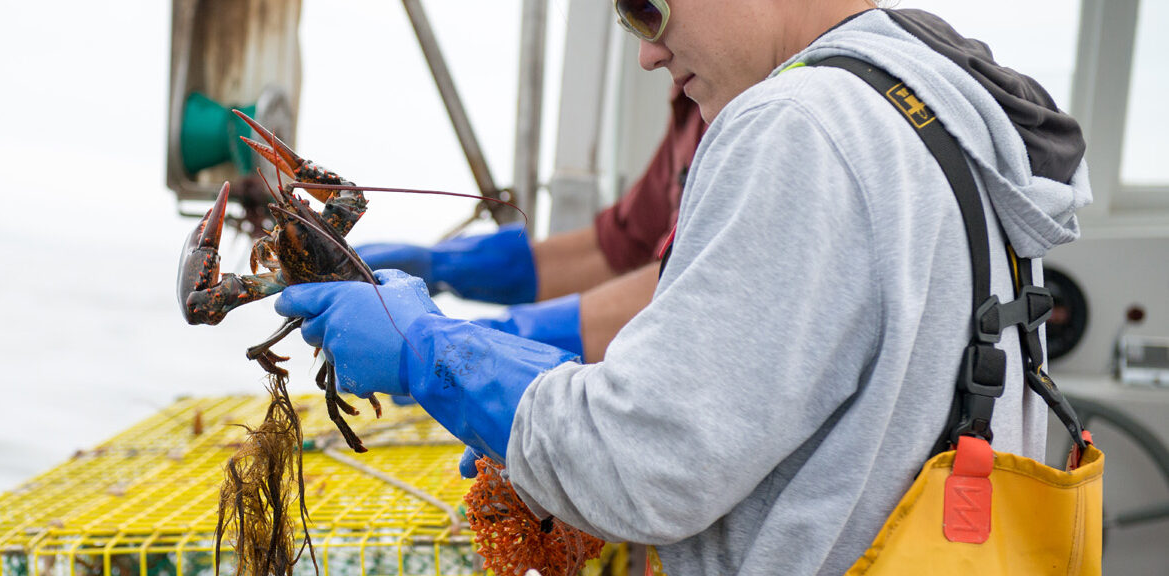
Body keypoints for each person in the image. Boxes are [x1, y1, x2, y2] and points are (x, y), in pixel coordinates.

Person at [273, 1, 1090, 574]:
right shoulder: (930, 116)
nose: (646, 51)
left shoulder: (799, 126)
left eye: (647, 6)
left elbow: (642, 463)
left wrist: (433, 352)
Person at [356, 90, 705, 363]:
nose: (647, 56)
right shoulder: (694, 96)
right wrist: (443, 266)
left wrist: (488, 341)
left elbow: (694, 293)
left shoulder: (742, 108)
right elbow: (620, 246)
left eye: (648, 10)